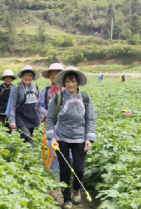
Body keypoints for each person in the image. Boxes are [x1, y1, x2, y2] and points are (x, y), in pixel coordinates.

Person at [46, 66, 96, 209]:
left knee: (79, 169)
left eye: (73, 81)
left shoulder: (85, 98)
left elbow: (90, 119)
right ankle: (66, 198)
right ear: (64, 83)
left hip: (80, 139)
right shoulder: (58, 97)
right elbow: (49, 119)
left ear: (78, 82)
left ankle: (76, 190)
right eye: (67, 82)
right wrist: (52, 137)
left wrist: (89, 139)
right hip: (61, 138)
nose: (70, 85)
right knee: (65, 169)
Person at [37, 63, 64, 177]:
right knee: (53, 151)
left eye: (57, 73)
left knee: (68, 152)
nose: (54, 76)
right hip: (51, 125)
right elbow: (39, 106)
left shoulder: (68, 89)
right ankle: (54, 178)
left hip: (66, 125)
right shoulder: (46, 90)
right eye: (52, 74)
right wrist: (48, 114)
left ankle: (66, 175)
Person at [8, 65, 40, 146]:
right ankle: (33, 155)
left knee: (25, 140)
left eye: (30, 76)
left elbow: (38, 104)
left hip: (31, 117)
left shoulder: (35, 87)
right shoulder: (16, 88)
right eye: (26, 75)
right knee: (28, 138)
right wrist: (11, 120)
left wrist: (40, 117)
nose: (28, 78)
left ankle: (24, 155)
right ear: (22, 76)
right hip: (20, 118)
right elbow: (12, 105)